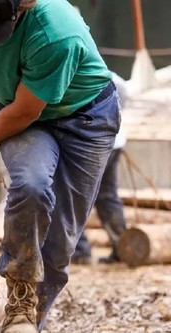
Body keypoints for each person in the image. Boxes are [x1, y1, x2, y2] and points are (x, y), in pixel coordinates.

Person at [0, 0, 120, 332]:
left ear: (21, 8)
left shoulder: (55, 32)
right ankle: (20, 298)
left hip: (85, 118)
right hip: (21, 112)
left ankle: (28, 321)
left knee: (60, 239)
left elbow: (27, 110)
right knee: (30, 186)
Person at [72, 73, 129, 265]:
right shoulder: (115, 78)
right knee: (107, 196)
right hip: (115, 141)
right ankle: (122, 248)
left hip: (92, 143)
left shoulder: (79, 75)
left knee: (74, 196)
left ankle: (79, 251)